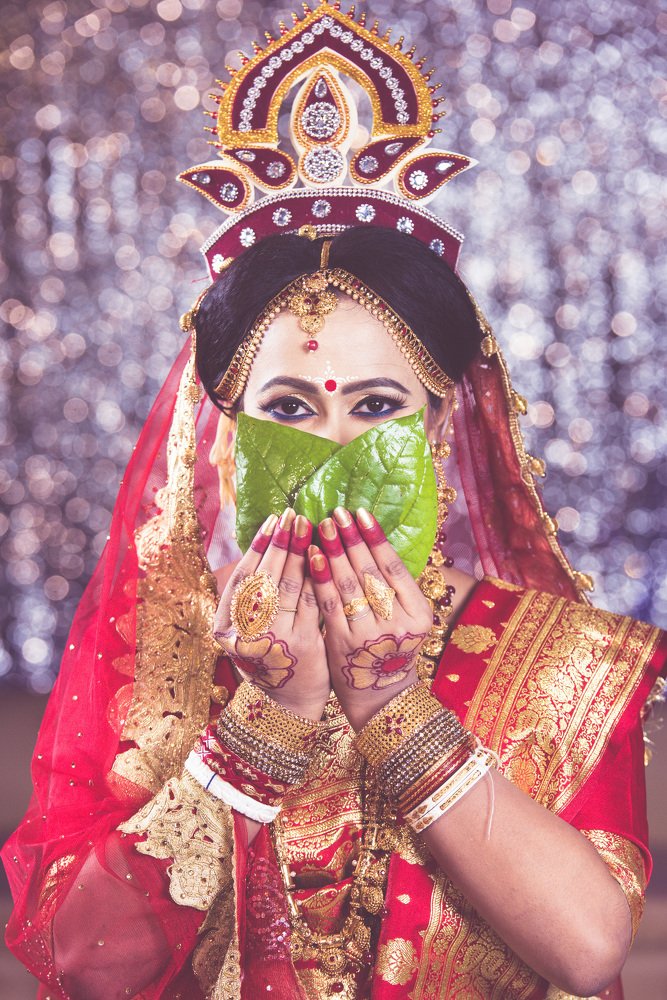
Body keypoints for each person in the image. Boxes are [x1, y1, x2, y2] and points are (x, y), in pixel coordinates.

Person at [3, 4, 666, 1000]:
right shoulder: (155, 657)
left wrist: (391, 702)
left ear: (441, 428)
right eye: (286, 406)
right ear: (220, 433)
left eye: (376, 405)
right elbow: (84, 966)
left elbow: (587, 951)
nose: (330, 446)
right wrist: (270, 713)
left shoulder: (563, 657)